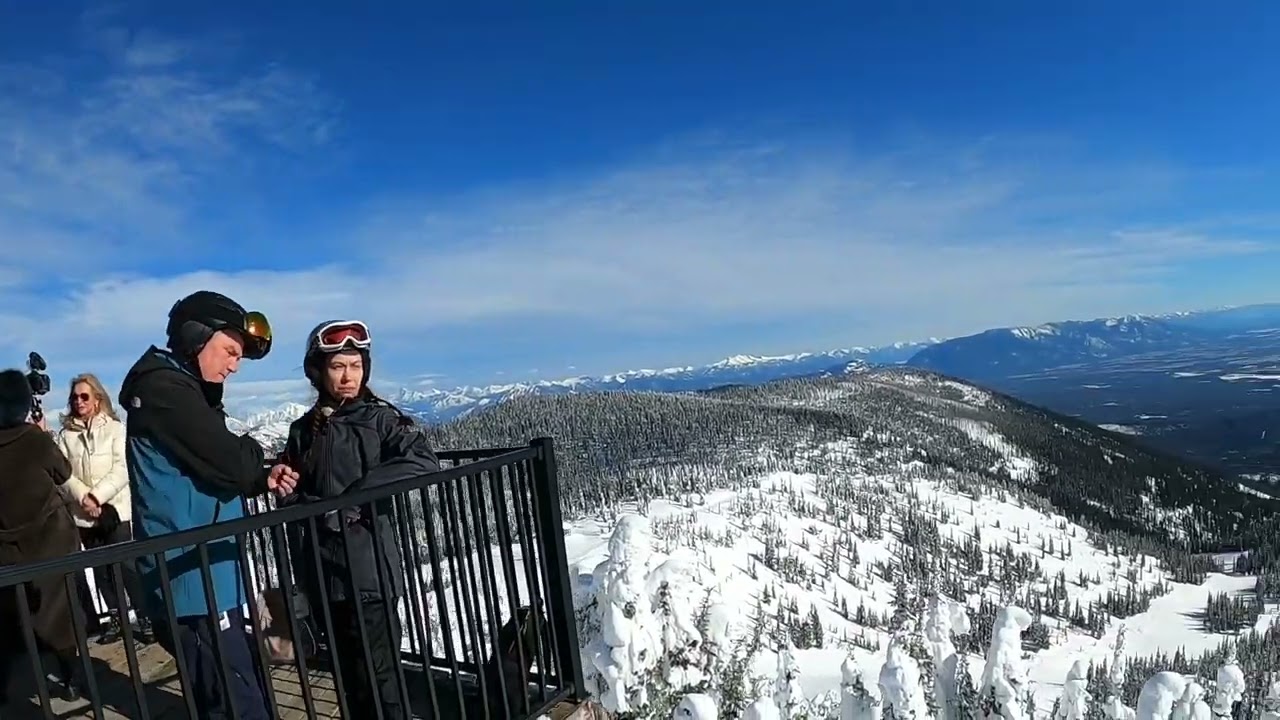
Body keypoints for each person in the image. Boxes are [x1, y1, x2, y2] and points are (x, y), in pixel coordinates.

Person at [119, 290, 297, 720]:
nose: (234, 365)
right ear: (197, 336)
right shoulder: (166, 390)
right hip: (191, 578)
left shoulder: (182, 390)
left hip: (209, 572)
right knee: (232, 697)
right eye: (230, 352)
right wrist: (251, 459)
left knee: (237, 683)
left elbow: (209, 465)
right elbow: (230, 462)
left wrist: (260, 477)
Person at [278, 320, 440, 720]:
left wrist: (355, 500)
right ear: (318, 370)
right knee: (348, 675)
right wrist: (294, 494)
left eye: (355, 365)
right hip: (321, 570)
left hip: (368, 570)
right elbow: (290, 492)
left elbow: (423, 461)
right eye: (338, 366)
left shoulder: (380, 420)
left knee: (381, 677)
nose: (348, 375)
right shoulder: (304, 430)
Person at [0, 369, 85, 703]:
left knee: (8, 617)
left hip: (7, 547)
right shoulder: (33, 440)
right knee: (59, 613)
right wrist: (42, 435)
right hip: (50, 541)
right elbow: (62, 471)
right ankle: (72, 678)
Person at [55, 373, 151, 645]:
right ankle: (115, 617)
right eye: (74, 397)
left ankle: (144, 615)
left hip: (115, 511)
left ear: (97, 399)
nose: (78, 401)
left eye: (84, 396)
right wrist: (84, 499)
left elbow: (121, 469)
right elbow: (62, 474)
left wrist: (97, 497)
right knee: (100, 570)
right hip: (83, 516)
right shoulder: (65, 436)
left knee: (126, 565)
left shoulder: (116, 430)